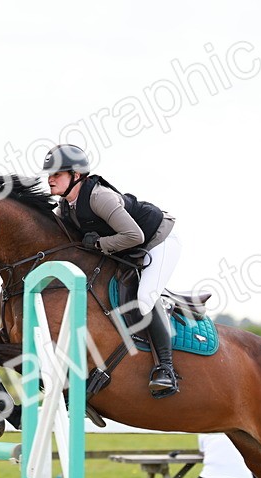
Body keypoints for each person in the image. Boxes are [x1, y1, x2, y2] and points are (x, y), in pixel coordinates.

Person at [41, 143, 182, 397]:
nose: (50, 179)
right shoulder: (66, 207)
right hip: (127, 247)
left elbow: (134, 235)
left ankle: (166, 370)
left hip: (158, 241)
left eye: (57, 174)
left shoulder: (98, 197)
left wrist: (97, 244)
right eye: (49, 174)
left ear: (76, 176)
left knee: (144, 299)